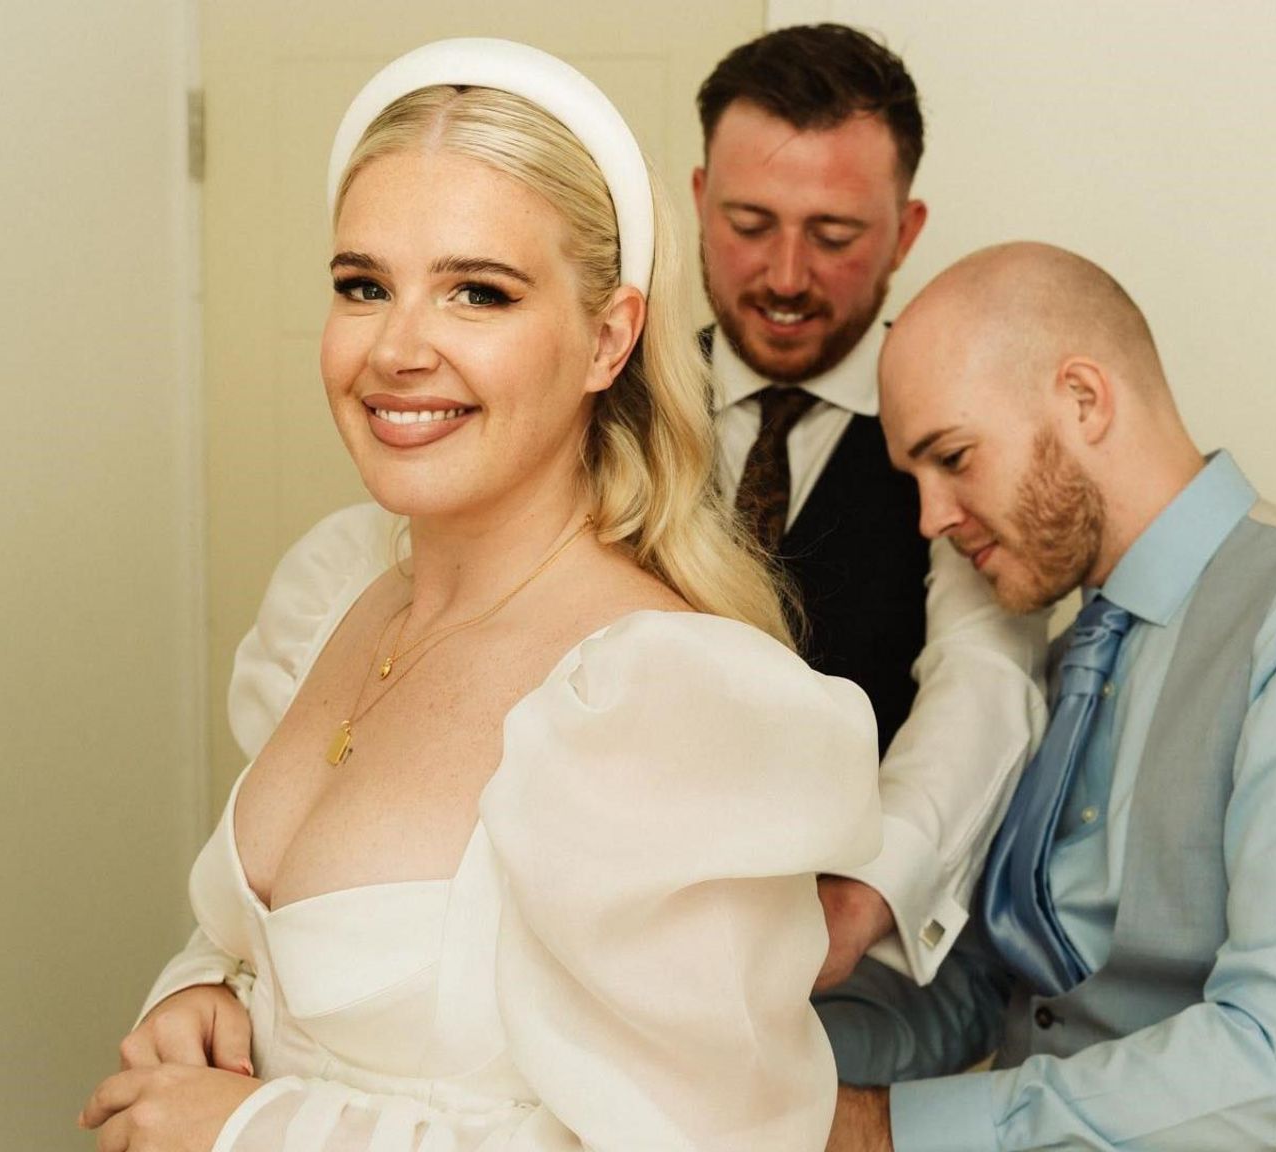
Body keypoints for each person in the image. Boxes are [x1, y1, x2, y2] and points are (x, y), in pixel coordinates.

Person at [78, 39, 882, 1151]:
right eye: (363, 286)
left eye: (476, 291)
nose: (397, 348)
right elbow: (282, 933)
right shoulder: (338, 595)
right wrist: (201, 993)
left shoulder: (657, 693)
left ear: (608, 337)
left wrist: (255, 1130)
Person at [817, 242, 1276, 1151]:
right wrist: (747, 1052)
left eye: (952, 457)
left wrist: (879, 1134)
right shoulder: (1070, 664)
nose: (931, 519)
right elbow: (993, 986)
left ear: (1083, 400)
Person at [692, 25, 1047, 991]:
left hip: (847, 985)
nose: (787, 277)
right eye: (749, 223)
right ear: (697, 201)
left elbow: (985, 673)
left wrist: (864, 891)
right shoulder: (607, 408)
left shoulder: (961, 426)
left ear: (908, 230)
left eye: (835, 235)